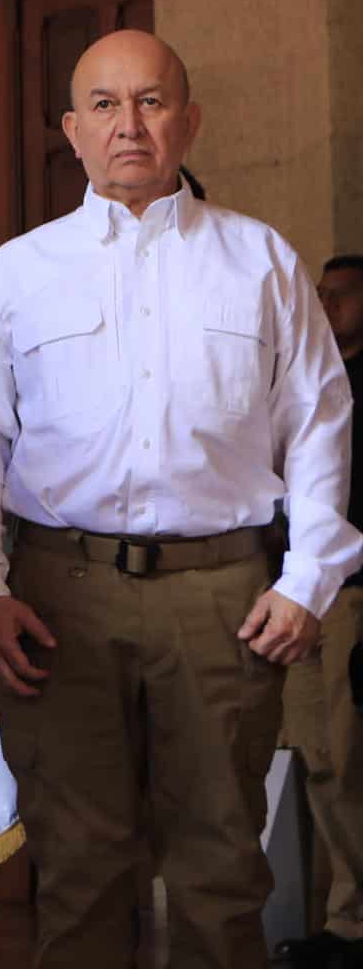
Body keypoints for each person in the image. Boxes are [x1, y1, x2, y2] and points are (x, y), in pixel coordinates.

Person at [0, 28, 362, 969]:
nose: (129, 124)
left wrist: (309, 580)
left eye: (152, 101)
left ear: (189, 121)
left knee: (221, 876)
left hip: (225, 600)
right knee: (79, 876)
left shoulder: (262, 262)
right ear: (72, 132)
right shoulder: (18, 273)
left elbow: (322, 424)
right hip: (57, 598)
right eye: (104, 105)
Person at [279, 254, 363, 967]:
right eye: (320, 295)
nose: (327, 306)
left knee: (348, 756)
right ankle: (342, 920)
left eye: (341, 295)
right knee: (318, 760)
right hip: (298, 595)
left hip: (352, 597)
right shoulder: (306, 384)